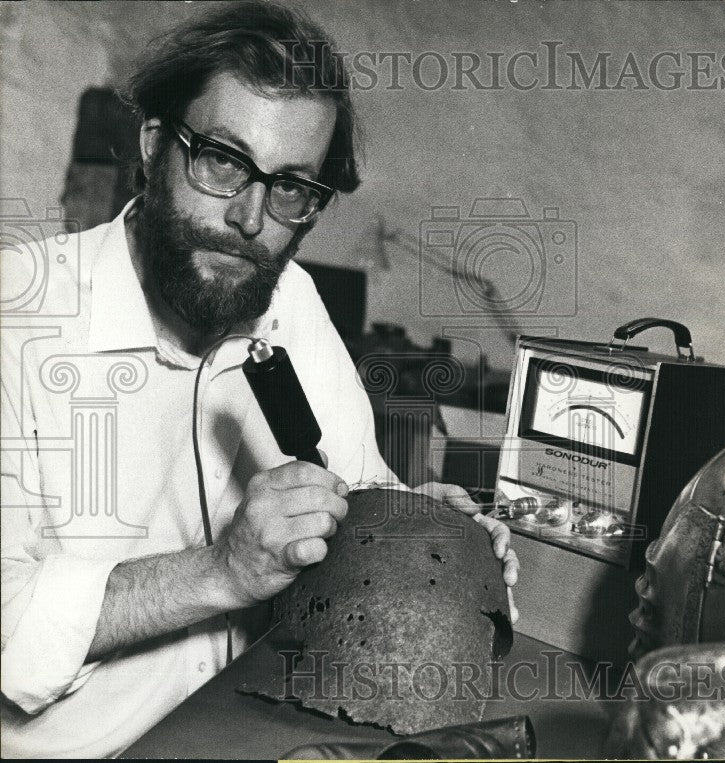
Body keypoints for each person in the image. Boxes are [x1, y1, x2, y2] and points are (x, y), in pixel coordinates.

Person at [0, 2, 518, 757]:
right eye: (221, 160)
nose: (251, 218)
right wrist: (223, 571)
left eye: (291, 187)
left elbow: (350, 485)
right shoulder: (18, 318)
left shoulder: (289, 301)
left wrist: (411, 524)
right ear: (153, 144)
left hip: (248, 724)